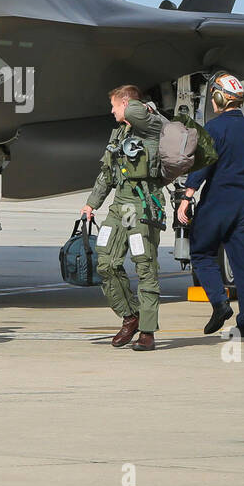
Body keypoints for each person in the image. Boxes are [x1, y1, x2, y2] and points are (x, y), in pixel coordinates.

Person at [177, 73, 244, 338]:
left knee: (200, 254)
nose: (212, 101)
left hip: (217, 203)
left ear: (221, 98)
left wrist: (186, 198)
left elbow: (202, 166)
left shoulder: (213, 129)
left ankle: (220, 304)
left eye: (214, 96)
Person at [80, 84, 167, 351]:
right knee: (105, 261)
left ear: (127, 105)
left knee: (145, 267)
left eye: (115, 105)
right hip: (120, 206)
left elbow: (139, 112)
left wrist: (132, 104)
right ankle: (131, 316)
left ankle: (148, 331)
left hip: (143, 205)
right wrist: (91, 204)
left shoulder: (150, 125)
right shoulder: (119, 133)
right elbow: (107, 172)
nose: (111, 110)